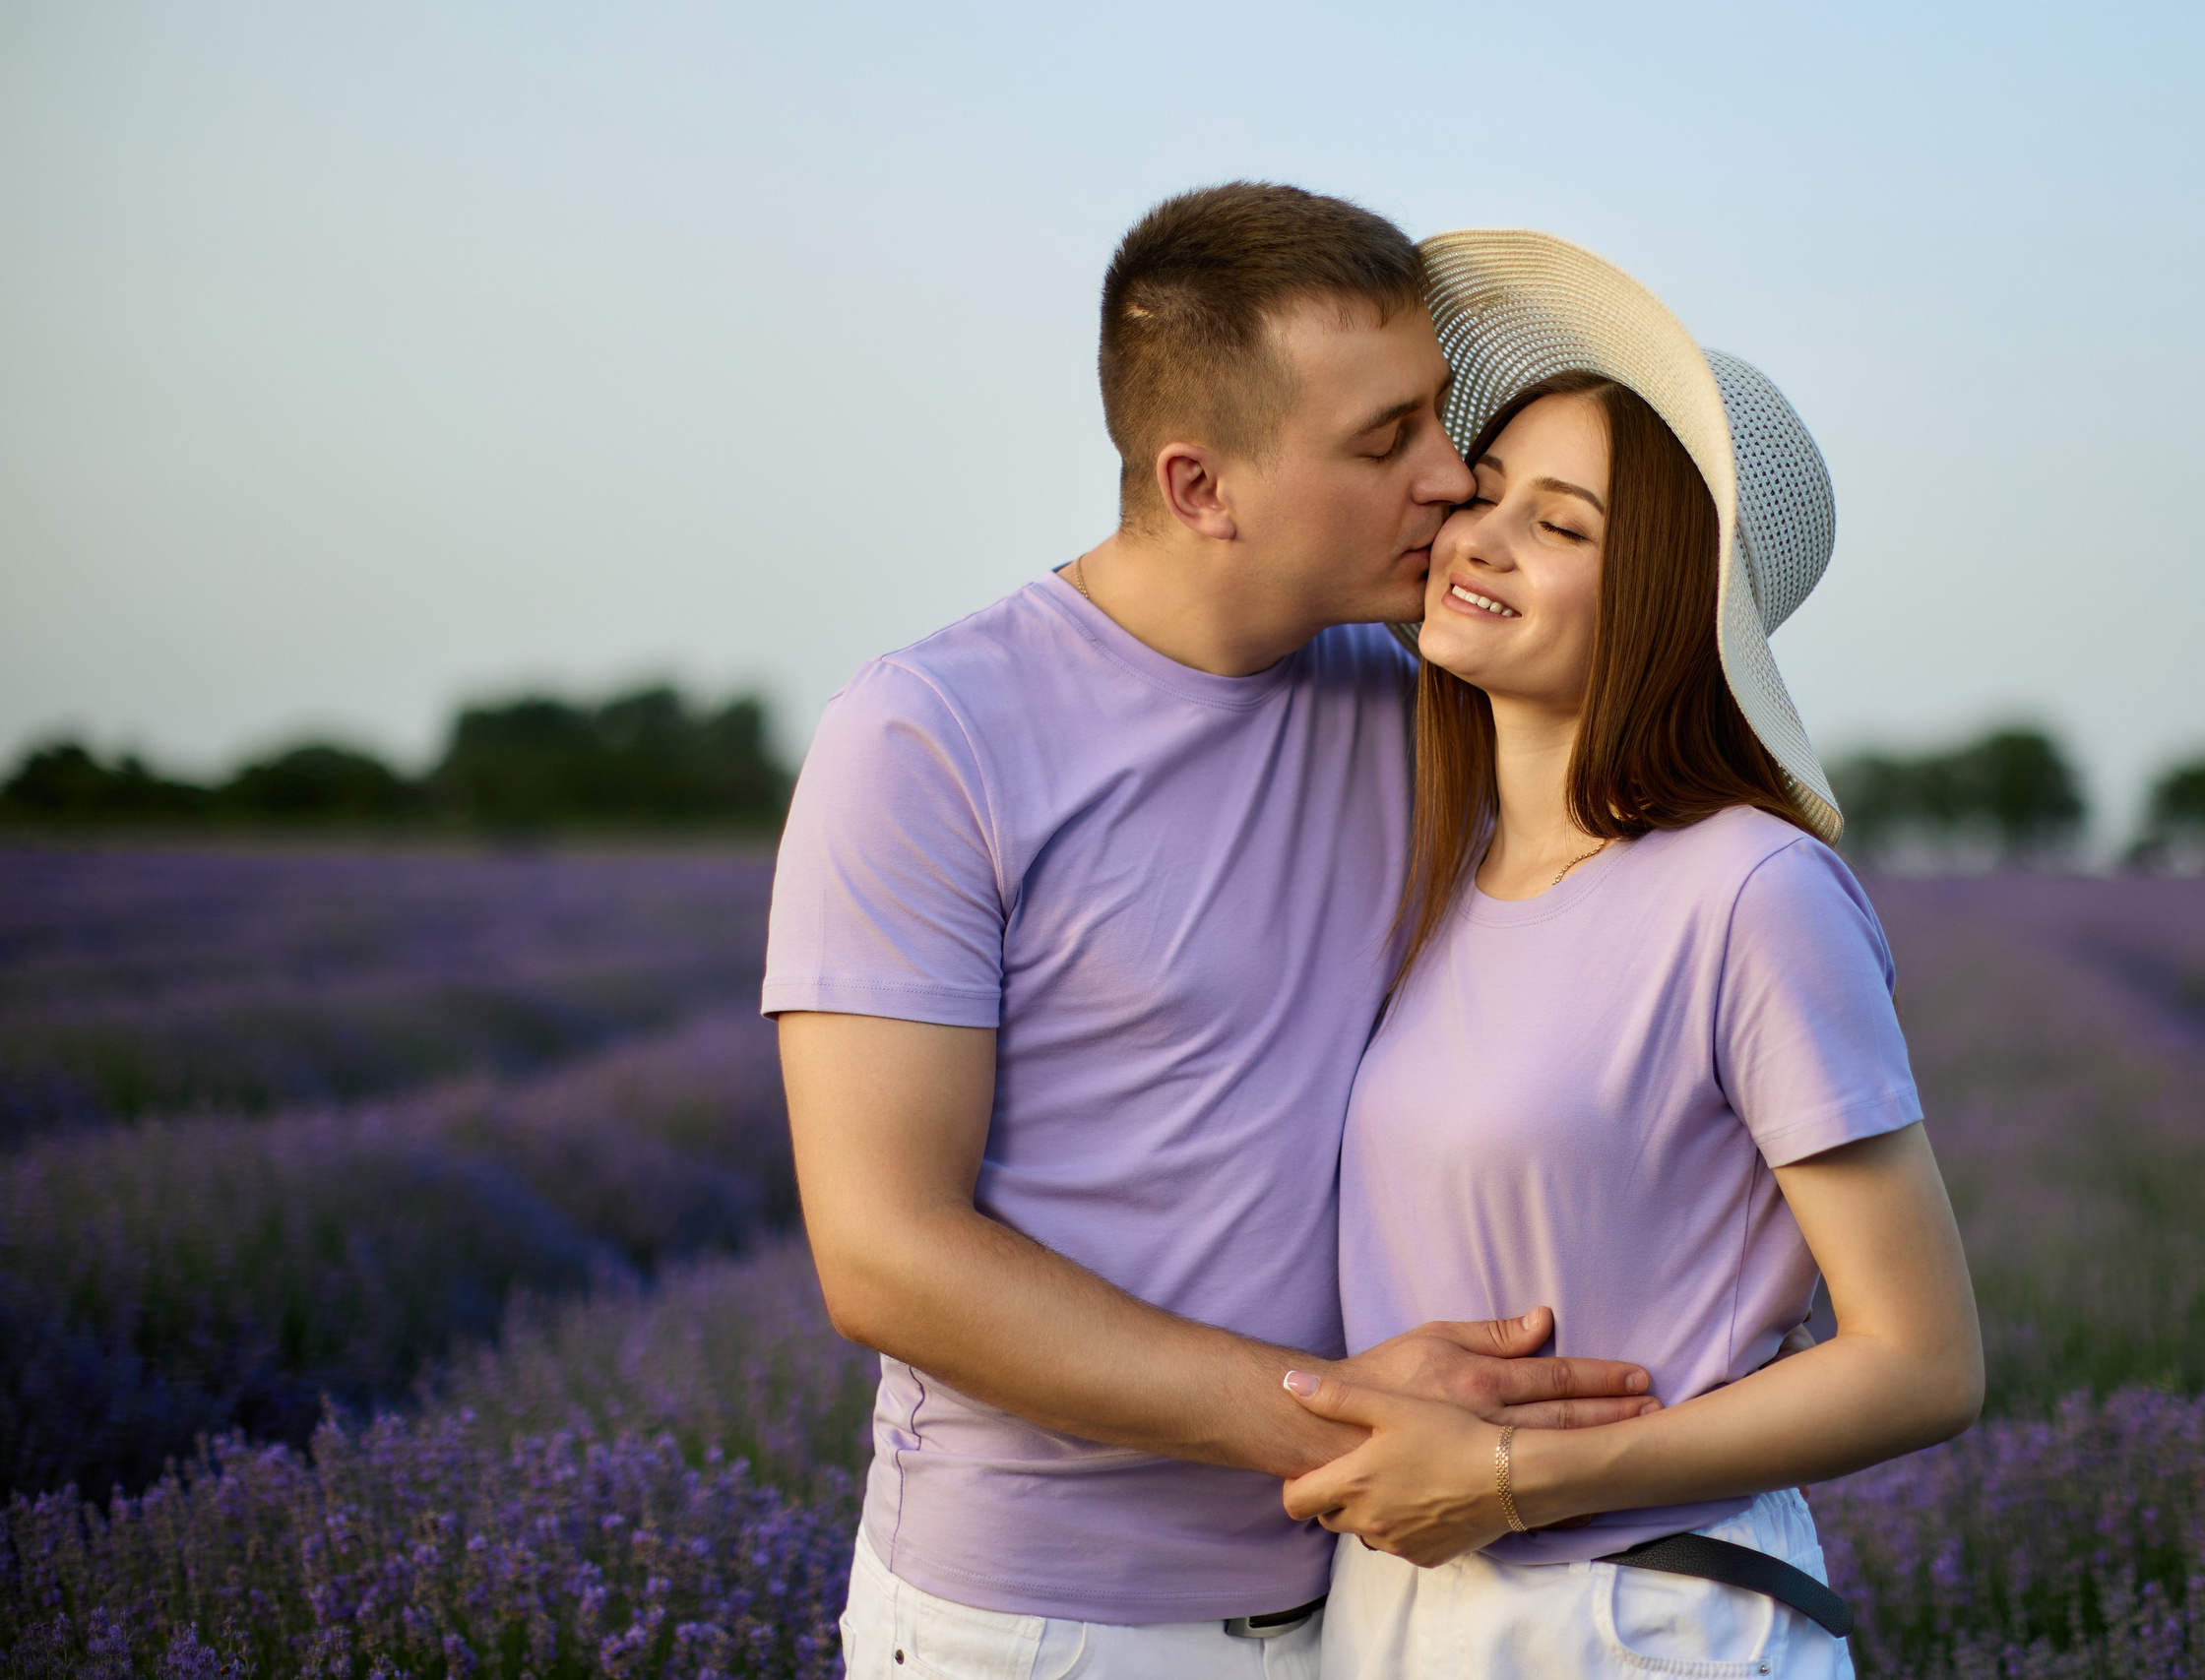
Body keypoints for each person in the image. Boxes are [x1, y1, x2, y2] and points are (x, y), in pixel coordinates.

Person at [765, 189, 1665, 1679]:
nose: (1450, 478)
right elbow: (886, 1257)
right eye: (1386, 443)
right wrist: (1348, 1414)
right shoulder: (928, 737)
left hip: (1396, 1600)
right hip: (1040, 1625)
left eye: (1443, 417)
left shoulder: (1430, 697)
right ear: (1200, 487)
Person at [1274, 231, 1985, 1679]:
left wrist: (1517, 1479)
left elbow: (1924, 1361)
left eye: (1563, 525)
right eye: (1488, 493)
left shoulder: (1752, 890)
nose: (1477, 539)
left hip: (1641, 1617)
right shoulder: (1436, 878)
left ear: (1665, 594)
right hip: (1398, 1618)